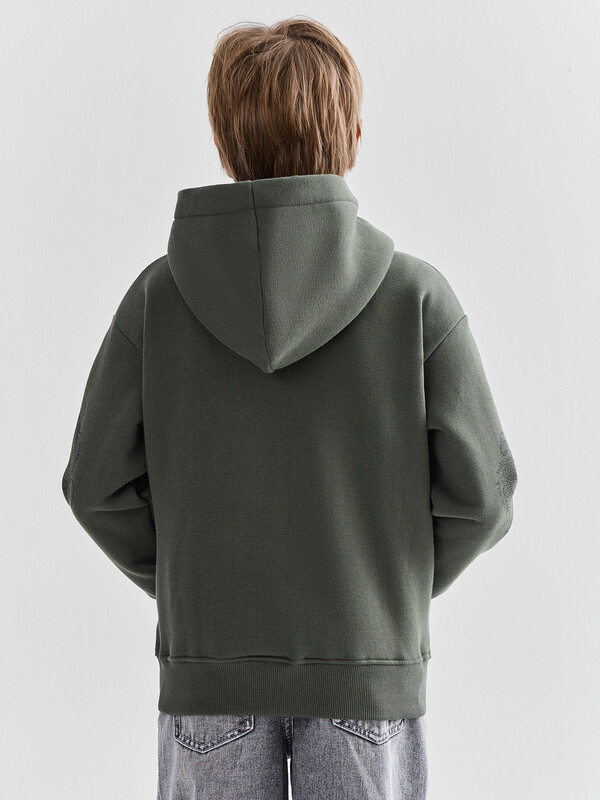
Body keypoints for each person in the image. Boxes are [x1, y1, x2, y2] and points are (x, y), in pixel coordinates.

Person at [61, 16, 518, 800]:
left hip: (211, 673)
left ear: (225, 142)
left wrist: (197, 587)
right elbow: (486, 498)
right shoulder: (416, 299)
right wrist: (382, 589)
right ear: (353, 134)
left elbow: (95, 486)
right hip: (365, 678)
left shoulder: (157, 302)